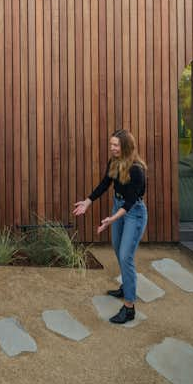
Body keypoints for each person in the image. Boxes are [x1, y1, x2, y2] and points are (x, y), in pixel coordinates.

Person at [72, 129, 147, 324]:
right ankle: (126, 287)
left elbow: (130, 202)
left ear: (126, 147)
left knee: (125, 256)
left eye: (116, 145)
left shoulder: (136, 169)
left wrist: (112, 219)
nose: (112, 148)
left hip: (133, 213)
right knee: (117, 247)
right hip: (118, 207)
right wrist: (88, 201)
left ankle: (129, 306)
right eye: (111, 144)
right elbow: (105, 183)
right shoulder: (114, 162)